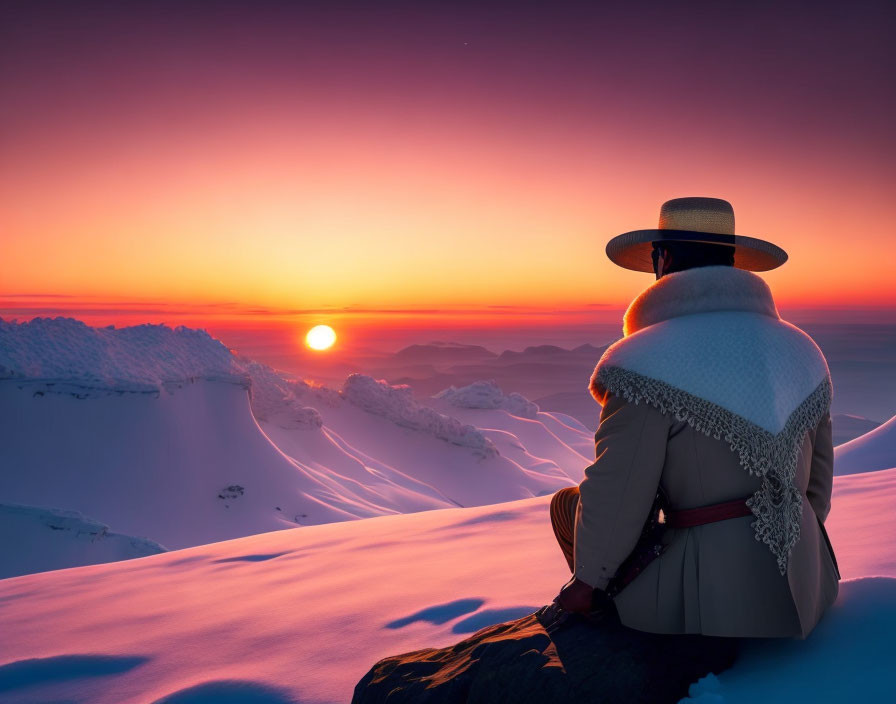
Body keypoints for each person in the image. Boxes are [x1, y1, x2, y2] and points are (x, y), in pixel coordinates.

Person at [550, 197, 839, 638]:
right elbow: (816, 491)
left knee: (566, 504)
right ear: (734, 262)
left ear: (661, 258)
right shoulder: (804, 350)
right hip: (811, 588)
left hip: (708, 604)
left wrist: (588, 581)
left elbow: (618, 488)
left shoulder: (642, 360)